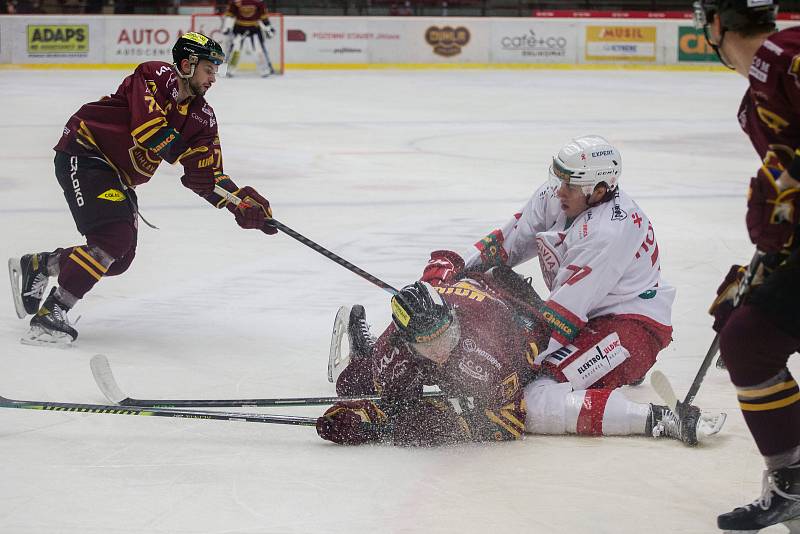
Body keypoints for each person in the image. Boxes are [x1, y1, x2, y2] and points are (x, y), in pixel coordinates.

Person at [7, 32, 276, 347]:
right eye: (209, 69)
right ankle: (52, 314)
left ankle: (44, 264)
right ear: (187, 64)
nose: (213, 78)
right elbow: (148, 130)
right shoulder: (153, 75)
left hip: (116, 175)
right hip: (84, 151)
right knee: (113, 239)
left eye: (216, 70)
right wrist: (187, 154)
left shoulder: (203, 118)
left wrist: (240, 203)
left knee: (118, 258)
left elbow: (206, 176)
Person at [317, 271, 724, 447]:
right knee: (353, 385)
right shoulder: (403, 345)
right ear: (406, 341)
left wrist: (427, 422)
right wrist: (367, 416)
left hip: (527, 329)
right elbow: (367, 399)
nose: (442, 348)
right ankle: (361, 345)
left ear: (452, 319)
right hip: (465, 298)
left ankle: (655, 416)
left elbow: (507, 422)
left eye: (446, 335)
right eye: (429, 343)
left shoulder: (485, 345)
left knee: (540, 405)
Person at [422, 135, 675, 393]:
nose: (559, 191)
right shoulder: (556, 197)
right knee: (488, 279)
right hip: (582, 314)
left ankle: (648, 415)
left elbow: (562, 318)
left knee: (531, 390)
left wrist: (497, 360)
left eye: (570, 185)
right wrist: (453, 267)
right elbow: (507, 244)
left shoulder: (607, 234)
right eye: (559, 179)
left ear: (598, 191)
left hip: (630, 327)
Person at [694, 0, 800, 531]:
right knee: (745, 333)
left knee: (750, 337)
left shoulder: (787, 55)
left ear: (715, 23)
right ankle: (793, 484)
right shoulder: (754, 101)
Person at [221, 0, 276, 78]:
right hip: (239, 29)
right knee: (236, 50)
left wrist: (268, 28)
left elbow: (263, 17)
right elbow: (230, 15)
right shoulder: (236, 1)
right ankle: (230, 69)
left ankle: (264, 69)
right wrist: (227, 26)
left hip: (254, 29)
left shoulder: (258, 2)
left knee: (258, 50)